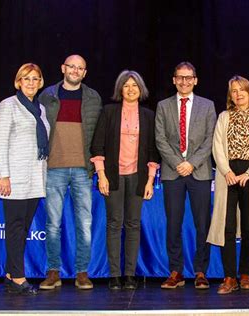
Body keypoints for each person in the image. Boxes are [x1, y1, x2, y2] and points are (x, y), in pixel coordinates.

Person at [90, 70, 159, 290]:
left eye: (135, 86)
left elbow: (152, 151)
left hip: (138, 176)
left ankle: (129, 274)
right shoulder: (109, 112)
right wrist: (101, 175)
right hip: (113, 176)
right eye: (126, 85)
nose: (131, 89)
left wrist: (150, 180)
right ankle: (114, 274)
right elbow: (97, 145)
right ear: (120, 89)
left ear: (141, 89)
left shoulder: (148, 115)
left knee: (133, 225)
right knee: (114, 224)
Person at [38, 55, 102, 290]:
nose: (75, 71)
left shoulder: (93, 98)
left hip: (82, 169)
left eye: (80, 68)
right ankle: (53, 272)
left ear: (84, 73)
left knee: (84, 223)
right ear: (63, 68)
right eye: (71, 66)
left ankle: (82, 272)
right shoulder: (47, 95)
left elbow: (98, 135)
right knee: (53, 223)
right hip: (53, 168)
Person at [207, 75, 249, 294]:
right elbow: (217, 146)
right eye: (234, 91)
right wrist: (226, 171)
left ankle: (245, 274)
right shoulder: (224, 116)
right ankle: (229, 277)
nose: (238, 94)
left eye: (241, 90)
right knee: (226, 226)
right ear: (230, 95)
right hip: (228, 176)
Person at [155, 61, 216, 289]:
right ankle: (176, 271)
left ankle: (201, 271)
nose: (184, 81)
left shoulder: (208, 106)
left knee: (203, 224)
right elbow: (160, 138)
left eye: (188, 77)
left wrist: (191, 163)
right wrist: (178, 163)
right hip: (172, 172)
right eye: (180, 77)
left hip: (199, 172)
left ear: (195, 80)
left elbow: (210, 139)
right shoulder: (163, 106)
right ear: (174, 80)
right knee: (173, 224)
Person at [0, 63, 50, 295]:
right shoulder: (7, 106)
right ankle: (18, 277)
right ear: (18, 81)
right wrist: (3, 176)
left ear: (41, 83)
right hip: (13, 178)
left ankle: (9, 272)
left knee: (23, 228)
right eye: (27, 79)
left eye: (36, 79)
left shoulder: (40, 109)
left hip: (34, 178)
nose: (31, 83)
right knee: (15, 228)